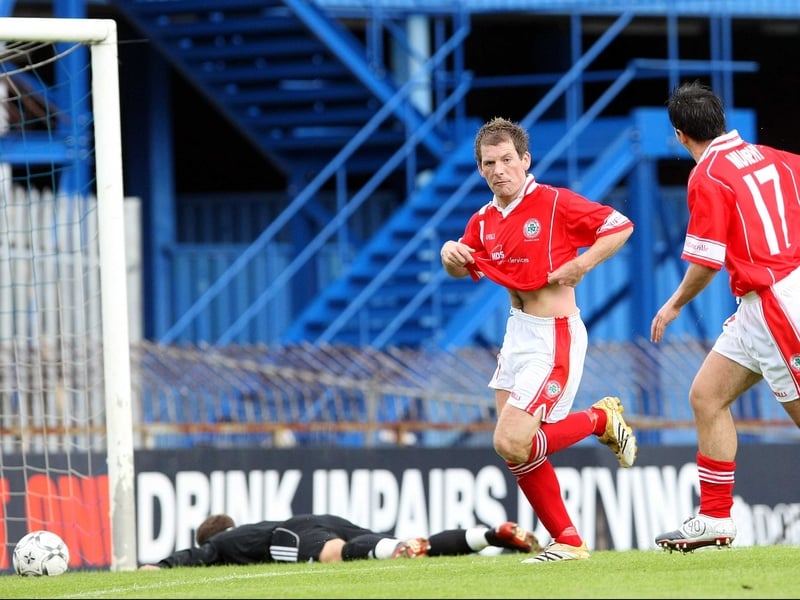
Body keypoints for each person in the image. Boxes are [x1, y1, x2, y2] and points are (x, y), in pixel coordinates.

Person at [439, 116, 638, 563]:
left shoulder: (553, 203)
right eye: (489, 163)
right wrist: (448, 254)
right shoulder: (484, 220)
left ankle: (599, 421)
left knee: (510, 440)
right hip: (518, 335)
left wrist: (582, 266)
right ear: (480, 169)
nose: (499, 169)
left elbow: (621, 225)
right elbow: (462, 268)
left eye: (507, 159)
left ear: (525, 160)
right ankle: (567, 541)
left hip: (555, 336)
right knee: (517, 449)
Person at [650, 80, 800, 552]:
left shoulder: (708, 174)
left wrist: (674, 304)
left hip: (776, 305)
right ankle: (715, 517)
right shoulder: (776, 157)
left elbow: (706, 261)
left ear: (679, 135)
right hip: (760, 304)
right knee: (706, 396)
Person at [138, 513, 541, 568]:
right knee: (414, 548)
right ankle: (489, 535)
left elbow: (200, 553)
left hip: (292, 536)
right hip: (325, 518)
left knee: (334, 556)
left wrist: (159, 567)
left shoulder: (225, 542)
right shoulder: (248, 527)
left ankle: (395, 549)